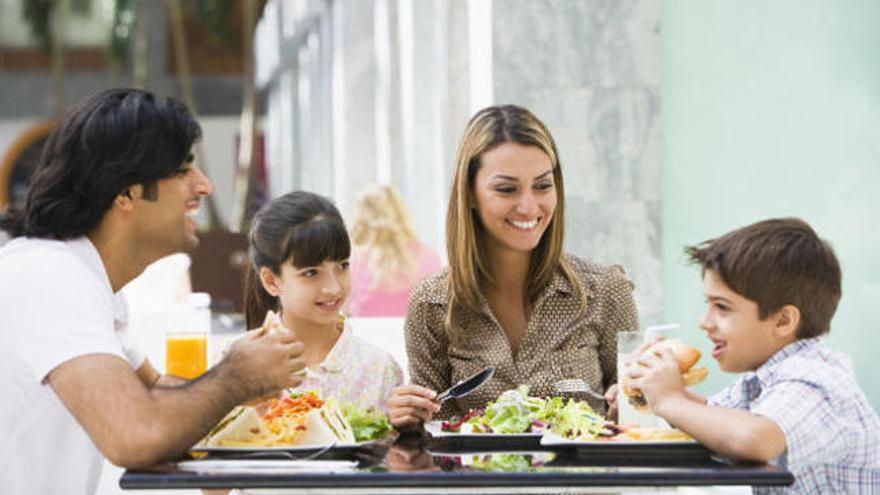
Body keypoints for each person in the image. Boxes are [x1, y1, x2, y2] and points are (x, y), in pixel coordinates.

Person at [0, 88, 307, 494]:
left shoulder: (86, 280)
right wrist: (237, 375)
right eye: (183, 170)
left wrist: (251, 397)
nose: (204, 187)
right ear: (125, 194)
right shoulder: (52, 277)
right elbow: (136, 431)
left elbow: (155, 391)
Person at [386, 105, 639, 431]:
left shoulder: (605, 290)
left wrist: (633, 408)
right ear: (470, 194)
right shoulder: (432, 304)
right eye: (506, 189)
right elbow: (430, 434)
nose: (529, 206)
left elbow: (640, 421)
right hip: (477, 482)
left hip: (574, 483)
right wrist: (406, 419)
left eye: (542, 186)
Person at [626, 218, 880, 493]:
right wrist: (650, 390)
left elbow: (753, 439)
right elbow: (710, 418)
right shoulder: (764, 379)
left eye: (722, 307)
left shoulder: (817, 382)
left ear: (783, 321)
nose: (704, 322)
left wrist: (670, 399)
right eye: (708, 304)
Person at [244, 190, 403, 411]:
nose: (333, 287)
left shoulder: (378, 369)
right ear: (271, 281)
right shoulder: (239, 363)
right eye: (311, 273)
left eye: (342, 266)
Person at [347, 184, 442, 317]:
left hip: (365, 335)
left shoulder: (351, 262)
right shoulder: (428, 257)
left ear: (359, 217)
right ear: (399, 211)